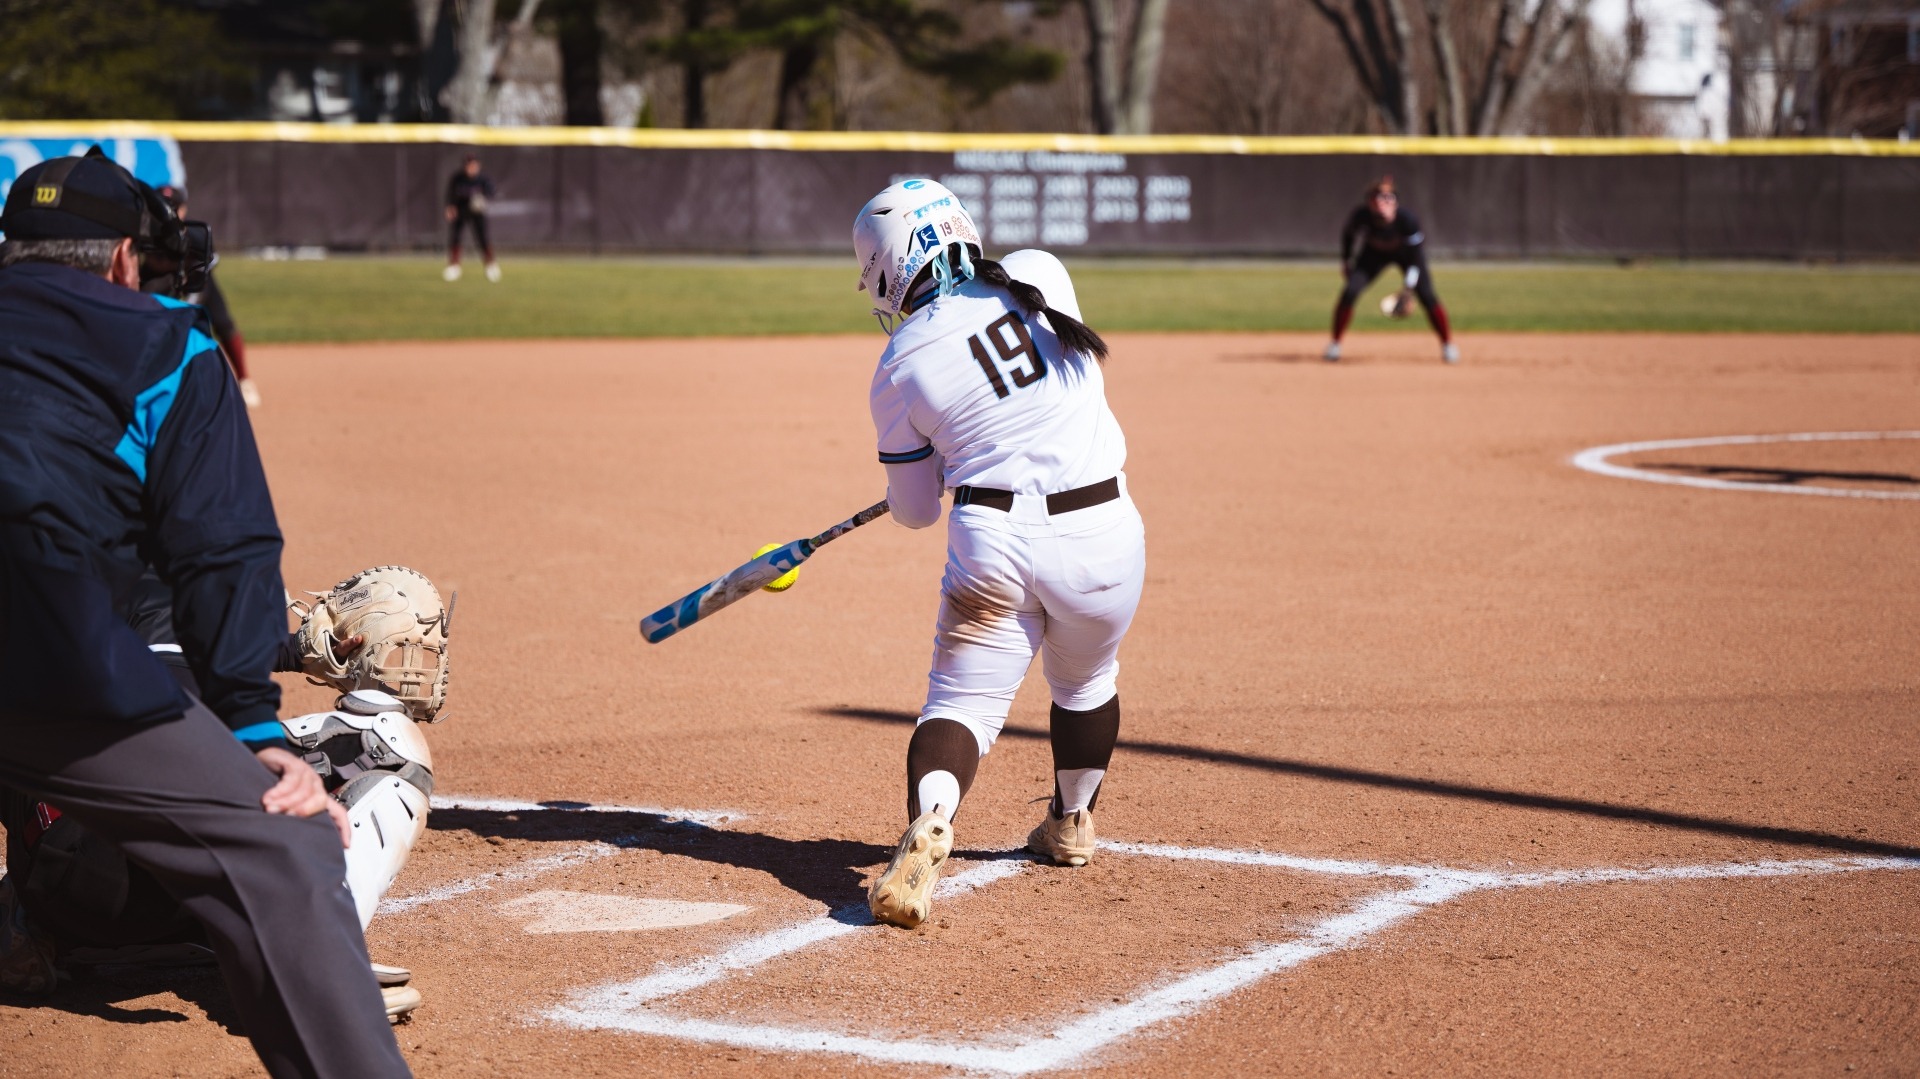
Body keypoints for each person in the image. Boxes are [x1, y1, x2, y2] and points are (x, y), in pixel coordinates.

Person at [0, 151, 412, 1077]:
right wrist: (252, 720)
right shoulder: (167, 344)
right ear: (118, 260)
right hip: (50, 658)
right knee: (287, 839)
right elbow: (224, 553)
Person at [853, 179, 1146, 930]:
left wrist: (932, 466)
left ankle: (933, 819)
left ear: (893, 267)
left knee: (960, 705)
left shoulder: (897, 362)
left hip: (994, 541)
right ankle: (1072, 822)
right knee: (1085, 683)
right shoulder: (1039, 274)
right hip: (1104, 533)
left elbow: (916, 511)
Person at [2, 566, 450, 1023]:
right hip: (128, 875)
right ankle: (311, 971)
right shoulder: (163, 594)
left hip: (54, 882)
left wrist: (296, 651)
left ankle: (27, 920)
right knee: (386, 740)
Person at [1324, 176, 1459, 364]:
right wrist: (1346, 261)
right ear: (1369, 201)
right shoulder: (1361, 216)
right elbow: (1348, 236)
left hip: (1407, 257)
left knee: (1427, 296)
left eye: (1389, 197)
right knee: (1350, 291)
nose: (1383, 202)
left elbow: (1415, 257)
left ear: (1396, 202)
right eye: (1378, 197)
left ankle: (1448, 345)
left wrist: (1408, 288)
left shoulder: (1407, 220)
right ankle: (1335, 344)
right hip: (1373, 255)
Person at [152, 184, 260, 407]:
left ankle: (244, 379)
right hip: (160, 288)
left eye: (174, 207)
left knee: (221, 320)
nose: (170, 213)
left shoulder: (193, 235)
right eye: (164, 207)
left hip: (194, 283)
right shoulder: (148, 237)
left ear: (183, 210)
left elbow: (208, 261)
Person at [443, 155, 499, 283]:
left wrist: (483, 199)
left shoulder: (483, 179)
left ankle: (490, 265)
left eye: (474, 165)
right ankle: (454, 267)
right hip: (461, 211)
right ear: (465, 166)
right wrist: (450, 207)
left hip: (477, 213)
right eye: (469, 166)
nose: (472, 168)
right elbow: (450, 194)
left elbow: (492, 192)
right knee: (455, 237)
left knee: (483, 239)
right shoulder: (458, 178)